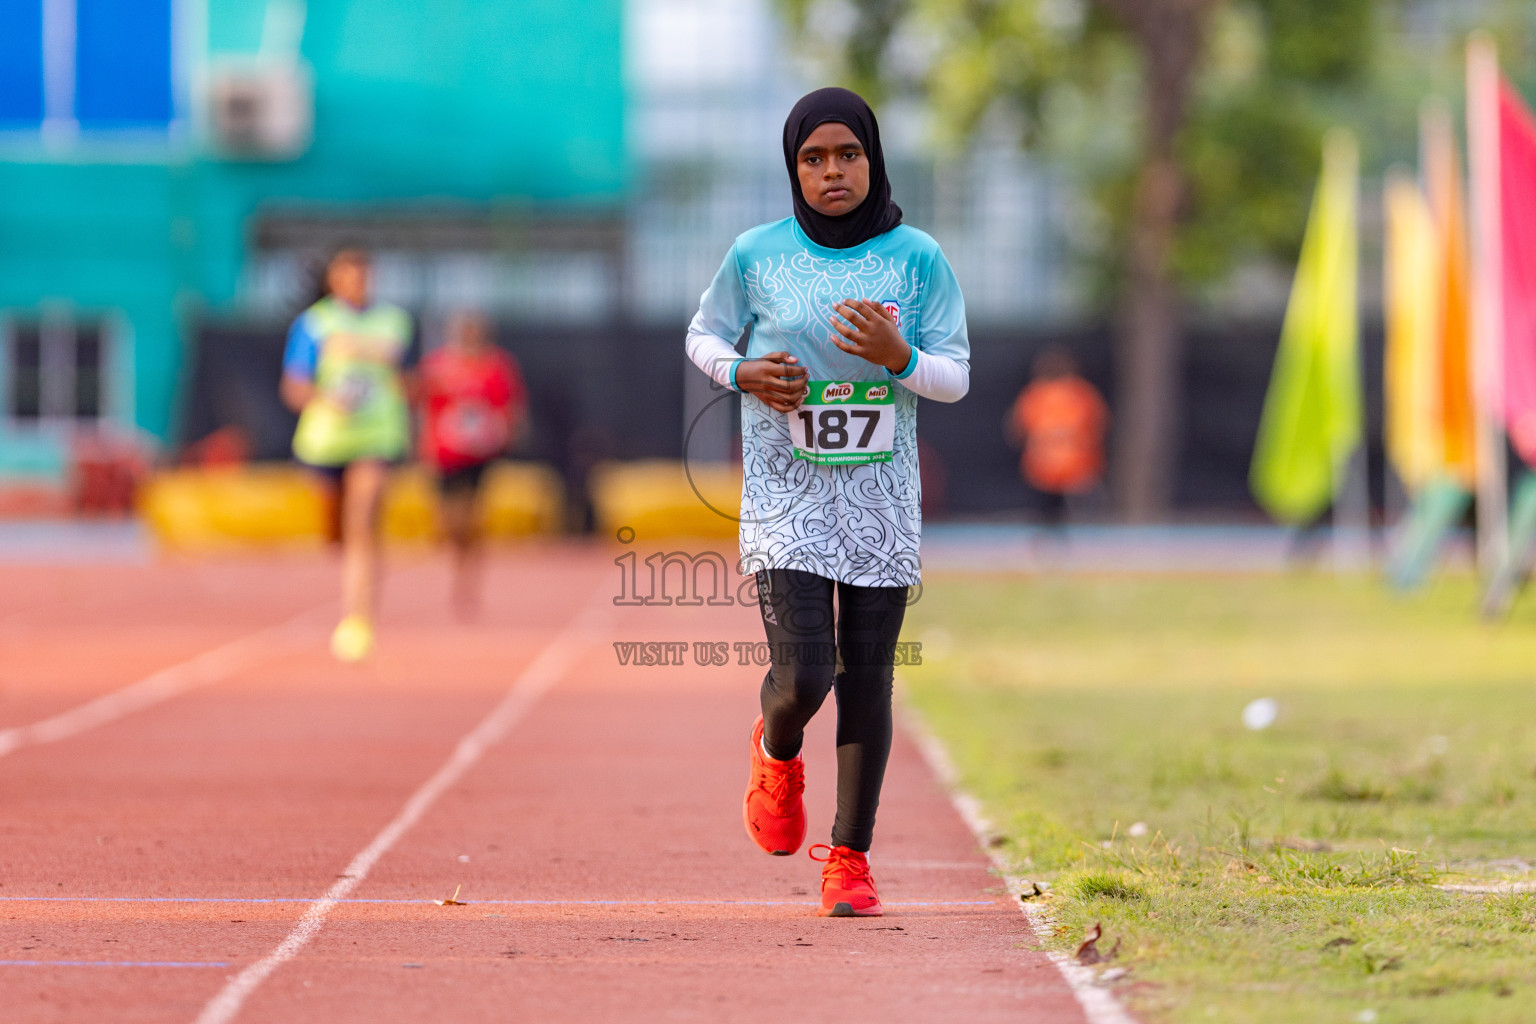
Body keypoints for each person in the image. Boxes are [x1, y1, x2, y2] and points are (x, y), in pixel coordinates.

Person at [685, 88, 970, 917]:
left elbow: (953, 376)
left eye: (848, 154)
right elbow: (703, 333)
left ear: (873, 159)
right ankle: (777, 748)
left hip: (881, 499)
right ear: (793, 168)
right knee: (806, 673)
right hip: (785, 494)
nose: (832, 171)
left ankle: (849, 858)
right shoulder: (754, 255)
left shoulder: (917, 258)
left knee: (868, 679)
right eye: (814, 158)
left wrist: (900, 354)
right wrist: (742, 373)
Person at [280, 248, 415, 662]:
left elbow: (412, 380)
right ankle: (349, 570)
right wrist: (327, 398)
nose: (357, 282)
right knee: (335, 534)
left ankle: (357, 619)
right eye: (347, 275)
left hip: (377, 436)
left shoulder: (396, 323)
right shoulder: (315, 324)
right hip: (326, 440)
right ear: (333, 281)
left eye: (363, 274)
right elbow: (294, 387)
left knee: (364, 521)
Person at [417, 311, 526, 617]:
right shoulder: (437, 366)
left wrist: (504, 433)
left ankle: (467, 581)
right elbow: (425, 408)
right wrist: (423, 446)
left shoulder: (497, 367)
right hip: (444, 454)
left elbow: (510, 407)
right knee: (448, 522)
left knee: (471, 517)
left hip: (479, 455)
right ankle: (455, 555)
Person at [1007, 346, 1107, 527]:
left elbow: (1018, 427)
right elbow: (1098, 426)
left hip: (1045, 464)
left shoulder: (1035, 394)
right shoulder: (1081, 393)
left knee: (1048, 510)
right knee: (1082, 509)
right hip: (1075, 464)